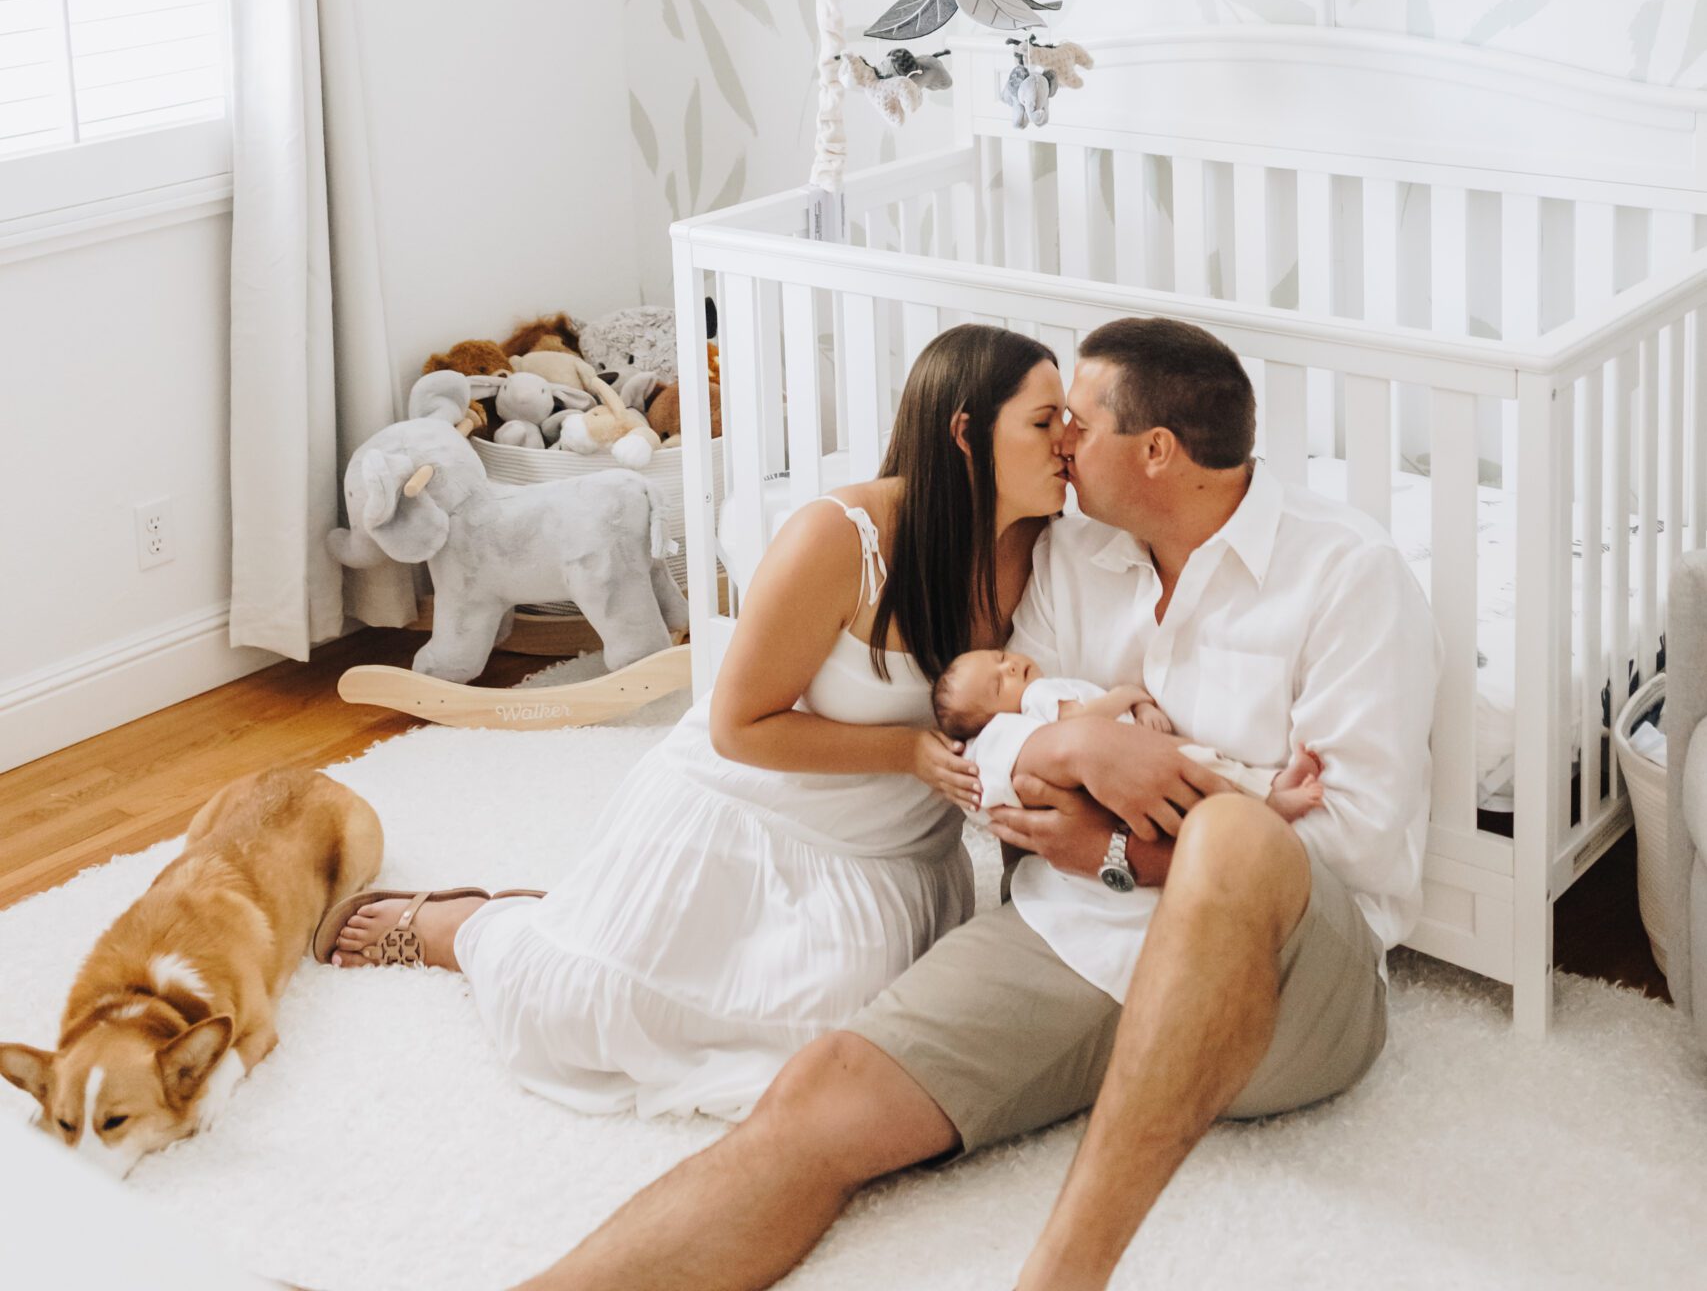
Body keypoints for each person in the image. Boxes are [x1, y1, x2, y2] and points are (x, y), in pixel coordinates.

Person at [504, 314, 1438, 1291]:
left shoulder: (1346, 573)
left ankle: (1062, 1277)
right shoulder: (1071, 553)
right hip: (1073, 937)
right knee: (819, 1098)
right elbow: (985, 741)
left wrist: (1116, 848)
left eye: (1079, 421)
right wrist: (1068, 741)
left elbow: (1352, 846)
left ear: (1156, 450)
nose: (1064, 443)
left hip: (1286, 986)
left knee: (1238, 840)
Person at [323, 324, 1078, 1122]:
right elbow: (738, 726)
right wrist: (910, 752)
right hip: (747, 814)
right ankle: (471, 925)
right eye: (1043, 421)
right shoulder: (843, 537)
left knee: (830, 1054)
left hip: (885, 856)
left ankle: (572, 914)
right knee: (588, 1017)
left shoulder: (1045, 547)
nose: (1067, 440)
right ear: (964, 433)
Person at [932, 644, 1328, 822]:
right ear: (996, 722)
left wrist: (1140, 708)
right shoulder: (1036, 700)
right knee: (1210, 778)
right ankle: (1276, 807)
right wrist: (1128, 695)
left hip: (1138, 746)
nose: (1011, 669)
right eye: (998, 686)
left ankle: (1277, 783)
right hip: (1138, 758)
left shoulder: (1044, 687)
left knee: (1214, 764)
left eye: (1001, 659)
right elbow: (1083, 723)